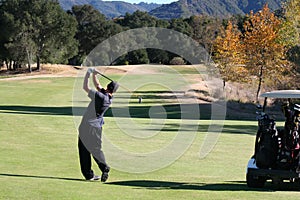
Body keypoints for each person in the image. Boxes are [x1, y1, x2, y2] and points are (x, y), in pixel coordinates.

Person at [78, 68, 119, 181]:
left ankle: (102, 168)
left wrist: (87, 74)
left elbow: (85, 88)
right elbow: (97, 85)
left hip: (87, 126)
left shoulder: (101, 97)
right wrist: (94, 75)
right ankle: (93, 174)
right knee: (95, 148)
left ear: (107, 87)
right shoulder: (109, 98)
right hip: (97, 128)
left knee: (84, 150)